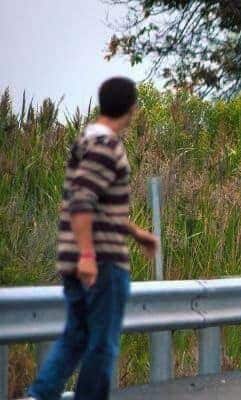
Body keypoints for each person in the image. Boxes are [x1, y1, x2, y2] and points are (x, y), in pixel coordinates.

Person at [26, 77, 157, 400]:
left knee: (76, 337)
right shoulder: (106, 145)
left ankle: (39, 396)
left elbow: (95, 204)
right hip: (100, 261)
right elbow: (83, 199)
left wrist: (135, 232)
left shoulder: (84, 140)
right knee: (103, 343)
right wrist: (88, 255)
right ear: (131, 108)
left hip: (77, 258)